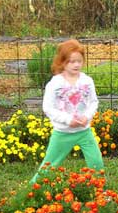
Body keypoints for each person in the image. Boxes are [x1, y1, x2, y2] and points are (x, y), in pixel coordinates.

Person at [30, 39, 103, 183]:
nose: (76, 65)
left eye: (79, 61)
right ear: (62, 62)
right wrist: (68, 120)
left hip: (84, 131)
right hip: (62, 133)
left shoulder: (87, 81)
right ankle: (30, 192)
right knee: (49, 165)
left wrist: (86, 117)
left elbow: (93, 102)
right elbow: (48, 107)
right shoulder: (55, 83)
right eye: (71, 61)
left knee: (96, 163)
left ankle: (101, 192)